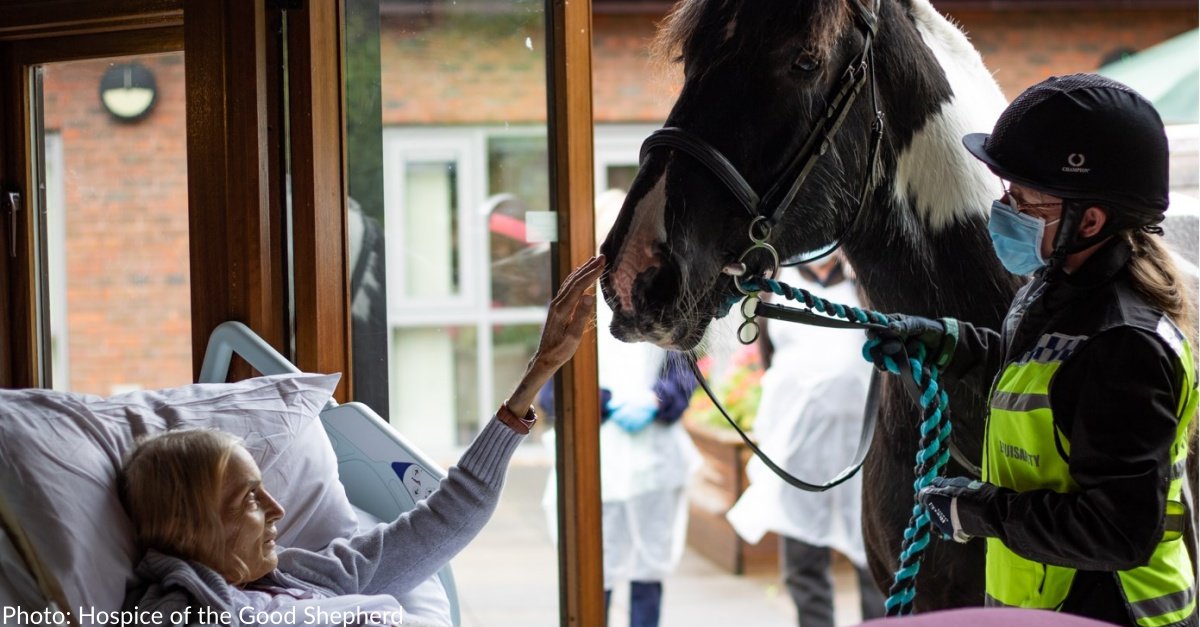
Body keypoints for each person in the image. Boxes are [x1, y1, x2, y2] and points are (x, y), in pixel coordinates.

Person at [866, 74, 1197, 627]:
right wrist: (949, 343)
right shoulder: (1058, 288)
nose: (1004, 209)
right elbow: (1047, 380)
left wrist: (979, 511)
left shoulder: (1124, 348)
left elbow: (1118, 533)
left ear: (1088, 221)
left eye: (1023, 199)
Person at [119, 255, 606, 626]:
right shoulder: (169, 612)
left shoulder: (303, 574)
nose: (277, 508)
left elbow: (449, 517)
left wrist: (541, 369)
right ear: (188, 528)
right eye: (248, 498)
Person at [540, 189, 700, 627]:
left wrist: (657, 400)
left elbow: (685, 373)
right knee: (596, 569)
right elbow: (553, 390)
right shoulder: (572, 303)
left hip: (655, 459)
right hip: (597, 460)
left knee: (650, 567)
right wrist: (608, 404)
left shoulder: (669, 297)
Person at [725, 256, 884, 627]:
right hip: (797, 448)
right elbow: (769, 357)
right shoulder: (777, 282)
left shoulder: (863, 283)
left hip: (862, 448)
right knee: (802, 559)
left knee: (874, 555)